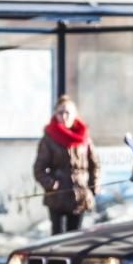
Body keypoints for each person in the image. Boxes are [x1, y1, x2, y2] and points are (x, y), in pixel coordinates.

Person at [33, 95, 100, 235]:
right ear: (55, 114)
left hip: (80, 195)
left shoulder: (84, 138)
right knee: (58, 237)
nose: (64, 116)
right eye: (60, 112)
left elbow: (95, 165)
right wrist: (51, 184)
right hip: (57, 197)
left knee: (75, 237)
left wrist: (94, 186)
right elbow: (38, 169)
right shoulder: (49, 138)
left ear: (75, 115)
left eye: (67, 112)